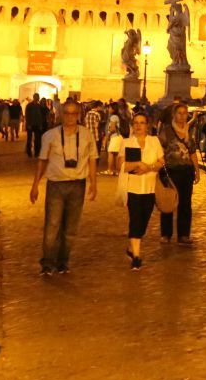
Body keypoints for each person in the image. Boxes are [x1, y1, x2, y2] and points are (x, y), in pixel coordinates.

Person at [30, 100, 100, 275]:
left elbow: (92, 159)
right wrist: (35, 185)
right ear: (61, 114)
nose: (70, 117)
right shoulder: (50, 135)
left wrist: (94, 183)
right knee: (52, 225)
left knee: (71, 228)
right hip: (56, 184)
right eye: (66, 113)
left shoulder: (86, 135)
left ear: (79, 115)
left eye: (73, 113)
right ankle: (48, 262)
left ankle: (63, 261)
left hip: (78, 185)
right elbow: (42, 160)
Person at [110, 111, 165, 269]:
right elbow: (120, 165)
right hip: (132, 188)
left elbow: (162, 161)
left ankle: (131, 247)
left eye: (142, 123)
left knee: (144, 220)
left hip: (150, 188)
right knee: (135, 218)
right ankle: (136, 256)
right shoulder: (126, 143)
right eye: (136, 123)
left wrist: (149, 168)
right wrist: (137, 165)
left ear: (147, 125)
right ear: (132, 125)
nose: (139, 126)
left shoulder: (154, 141)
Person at [158, 100, 202, 244]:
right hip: (171, 170)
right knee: (168, 201)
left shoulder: (189, 132)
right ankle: (166, 234)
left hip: (186, 171)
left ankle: (183, 235)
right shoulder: (167, 131)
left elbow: (192, 152)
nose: (183, 116)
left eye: (185, 114)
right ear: (174, 115)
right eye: (180, 113)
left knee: (185, 203)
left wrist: (197, 170)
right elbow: (160, 150)